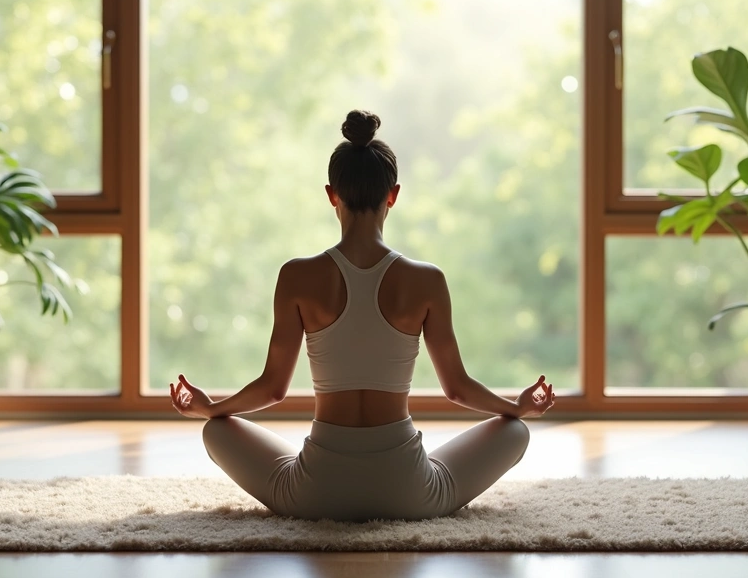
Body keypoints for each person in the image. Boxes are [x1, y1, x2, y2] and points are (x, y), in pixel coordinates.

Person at [169, 110, 555, 522]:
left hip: (314, 494)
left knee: (216, 430)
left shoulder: (297, 275)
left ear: (332, 194)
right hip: (410, 494)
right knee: (514, 431)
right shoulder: (426, 280)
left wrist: (213, 409)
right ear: (393, 195)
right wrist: (516, 407)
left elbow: (272, 390)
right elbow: (457, 390)